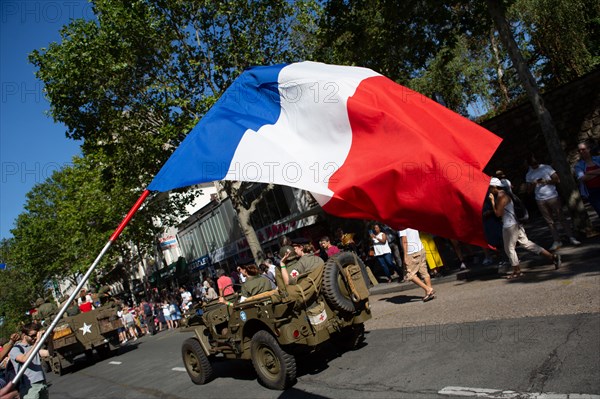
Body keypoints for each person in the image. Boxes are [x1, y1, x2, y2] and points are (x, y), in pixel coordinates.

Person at [489, 177, 561, 279]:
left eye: (490, 188)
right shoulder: (505, 194)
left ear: (494, 187)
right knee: (527, 243)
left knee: (509, 249)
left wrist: (492, 201)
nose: (490, 190)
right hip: (515, 224)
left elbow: (498, 213)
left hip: (509, 226)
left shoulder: (501, 196)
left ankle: (516, 270)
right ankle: (552, 256)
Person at [525, 154, 581, 250]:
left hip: (552, 196)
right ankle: (557, 240)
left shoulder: (546, 168)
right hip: (540, 199)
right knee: (549, 221)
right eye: (532, 164)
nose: (534, 165)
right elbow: (528, 190)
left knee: (561, 217)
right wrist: (533, 184)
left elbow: (557, 179)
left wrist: (546, 181)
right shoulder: (529, 174)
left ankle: (571, 237)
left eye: (535, 163)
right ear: (529, 164)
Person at [8, 323, 49, 399]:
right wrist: (37, 342)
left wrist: (51, 339)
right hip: (29, 387)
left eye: (36, 336)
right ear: (24, 335)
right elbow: (24, 359)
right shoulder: (16, 349)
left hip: (42, 383)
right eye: (33, 336)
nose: (35, 338)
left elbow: (49, 353)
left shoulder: (32, 347)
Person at [399, 228, 435, 301]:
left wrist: (405, 256)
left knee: (410, 275)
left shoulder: (401, 226)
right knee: (424, 272)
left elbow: (404, 241)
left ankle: (428, 289)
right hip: (420, 249)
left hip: (412, 252)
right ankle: (429, 294)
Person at [574, 140, 600, 218]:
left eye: (583, 149)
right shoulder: (578, 165)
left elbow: (585, 176)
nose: (581, 151)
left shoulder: (598, 159)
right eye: (579, 150)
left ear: (589, 149)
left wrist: (588, 173)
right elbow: (582, 178)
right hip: (592, 192)